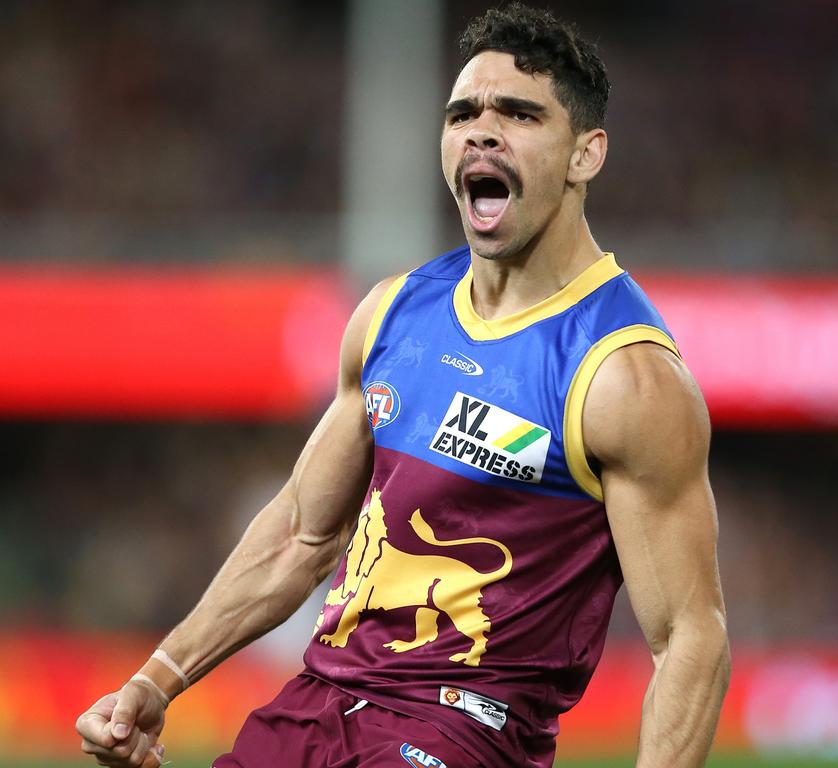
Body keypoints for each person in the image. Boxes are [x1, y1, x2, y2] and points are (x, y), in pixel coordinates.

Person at [77, 4, 729, 767]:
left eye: (519, 114)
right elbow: (303, 533)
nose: (482, 131)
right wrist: (160, 677)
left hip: (459, 731)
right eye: (463, 114)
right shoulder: (392, 313)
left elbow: (691, 636)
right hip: (316, 704)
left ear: (586, 154)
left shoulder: (623, 375)